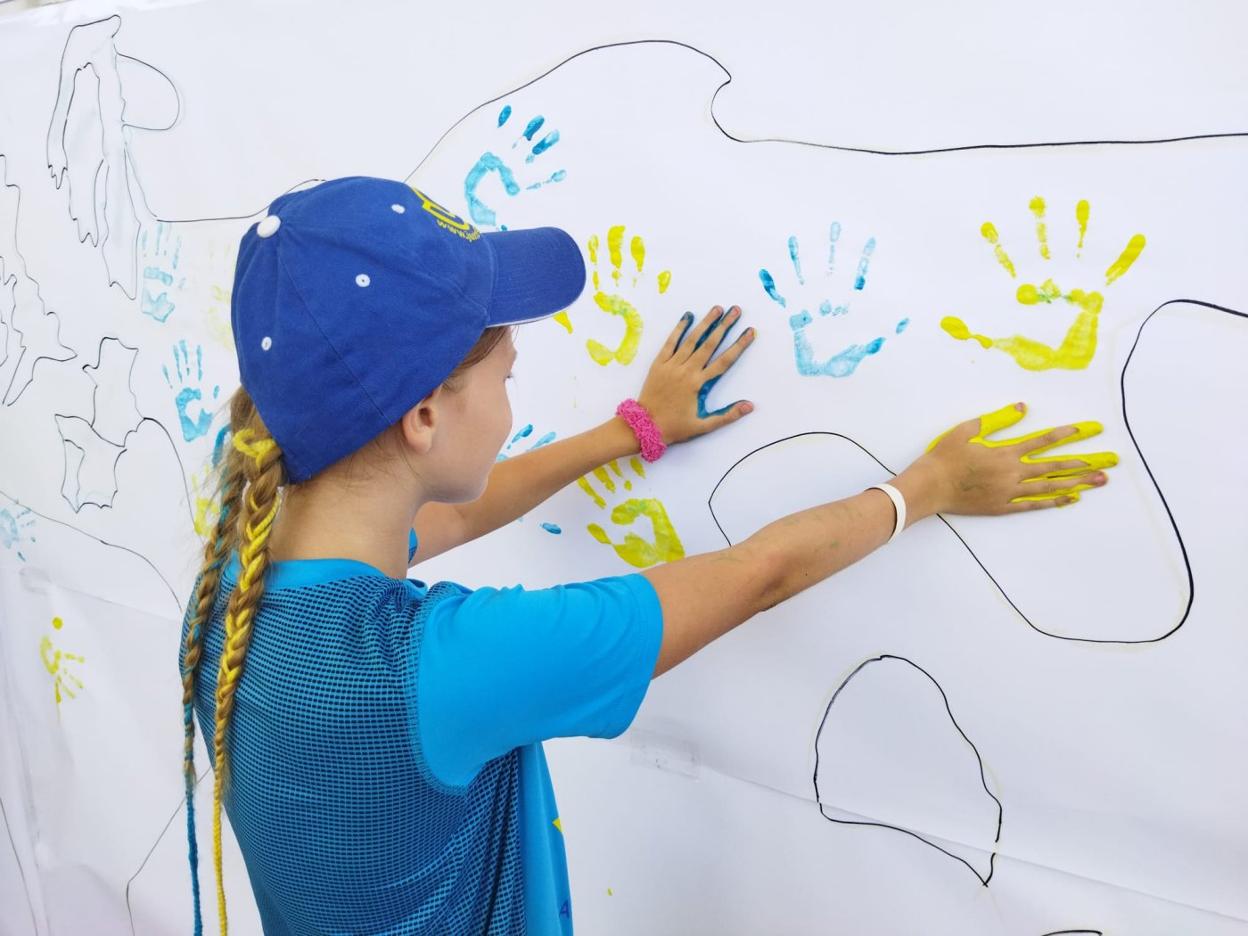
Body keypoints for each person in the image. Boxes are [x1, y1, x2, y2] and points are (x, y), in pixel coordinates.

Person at [179, 176, 1114, 935]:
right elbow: (758, 574)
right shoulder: (440, 667)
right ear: (425, 416)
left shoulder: (239, 581)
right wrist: (927, 489)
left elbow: (450, 519)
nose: (511, 398)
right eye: (507, 376)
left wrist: (633, 431)